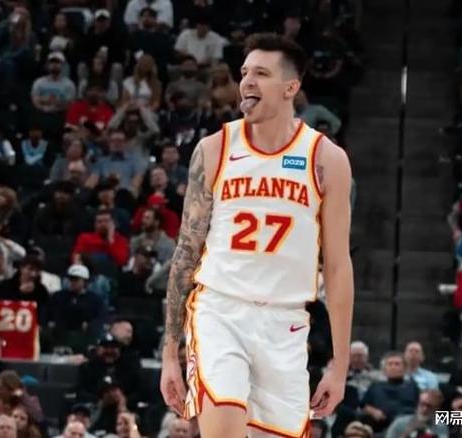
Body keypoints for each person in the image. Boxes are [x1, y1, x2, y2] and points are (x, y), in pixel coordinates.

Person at [160, 33, 353, 438]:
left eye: (261, 74)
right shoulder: (214, 149)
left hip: (285, 321)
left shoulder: (326, 159)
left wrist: (339, 365)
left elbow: (337, 267)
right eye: (245, 72)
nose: (247, 81)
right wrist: (170, 353)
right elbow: (186, 252)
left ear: (291, 87)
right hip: (219, 311)